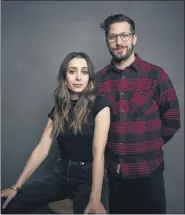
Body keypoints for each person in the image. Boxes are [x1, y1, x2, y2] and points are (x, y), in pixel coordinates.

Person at [1, 52, 110, 214]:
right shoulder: (59, 109)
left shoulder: (100, 105)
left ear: (90, 77)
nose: (79, 77)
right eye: (72, 71)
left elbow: (98, 153)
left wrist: (95, 199)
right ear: (65, 76)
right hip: (62, 174)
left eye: (84, 72)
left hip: (88, 177)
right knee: (9, 202)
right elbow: (42, 148)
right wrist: (16, 187)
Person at [95, 14, 181, 214]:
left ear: (134, 38)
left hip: (149, 173)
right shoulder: (99, 80)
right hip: (114, 176)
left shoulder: (156, 75)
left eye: (125, 35)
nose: (119, 42)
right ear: (107, 40)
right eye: (113, 37)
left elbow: (173, 119)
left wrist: (151, 144)